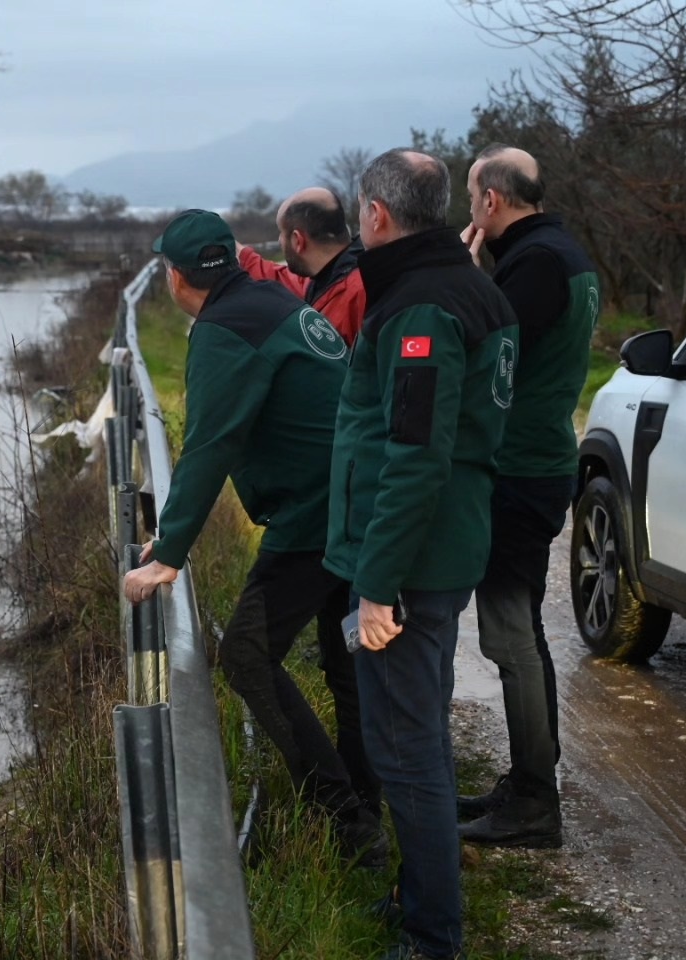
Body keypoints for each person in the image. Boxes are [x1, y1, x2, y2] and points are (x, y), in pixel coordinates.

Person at [122, 208, 384, 867]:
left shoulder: (225, 329)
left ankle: (345, 822)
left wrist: (170, 554)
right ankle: (367, 802)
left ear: (180, 279)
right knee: (345, 660)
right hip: (356, 495)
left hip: (314, 515)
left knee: (245, 653)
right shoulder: (271, 298)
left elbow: (211, 442)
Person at [324, 149, 518, 959]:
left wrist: (377, 586)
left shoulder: (422, 308)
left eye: (360, 211)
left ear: (375, 214)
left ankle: (433, 936)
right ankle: (419, 897)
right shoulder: (464, 283)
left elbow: (414, 458)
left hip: (411, 566)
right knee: (420, 737)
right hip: (439, 552)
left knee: (406, 754)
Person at [455, 144, 600, 849]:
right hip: (536, 462)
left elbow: (487, 344)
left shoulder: (537, 263)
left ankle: (537, 803)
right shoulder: (556, 252)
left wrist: (462, 273)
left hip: (519, 468)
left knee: (509, 635)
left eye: (471, 196)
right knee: (521, 634)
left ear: (491, 201)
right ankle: (527, 777)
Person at [237, 187, 367, 344]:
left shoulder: (360, 292)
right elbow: (277, 278)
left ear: (298, 241)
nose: (279, 240)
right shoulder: (323, 278)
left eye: (281, 233)